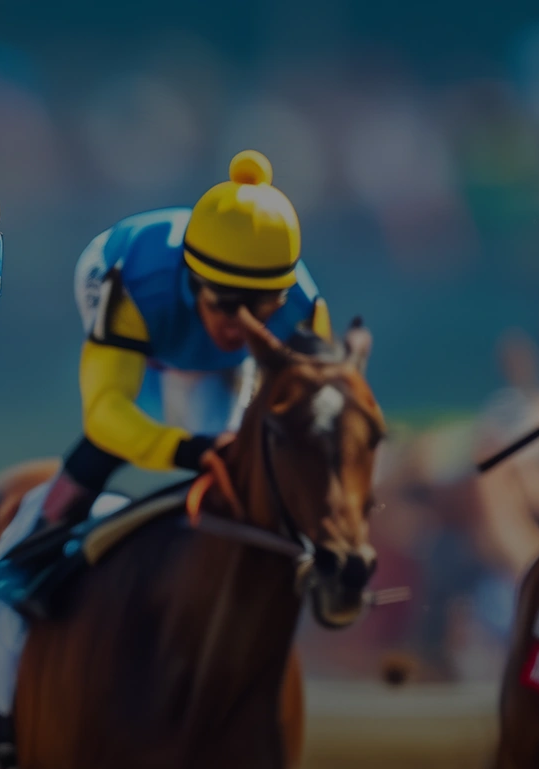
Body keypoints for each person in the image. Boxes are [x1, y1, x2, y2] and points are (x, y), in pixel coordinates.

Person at [36, 150, 328, 528]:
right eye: (226, 305)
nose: (240, 327)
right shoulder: (138, 282)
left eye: (262, 308)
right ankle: (30, 541)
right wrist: (190, 450)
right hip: (122, 274)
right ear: (194, 283)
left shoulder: (304, 308)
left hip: (177, 307)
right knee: (119, 436)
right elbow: (105, 412)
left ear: (282, 297)